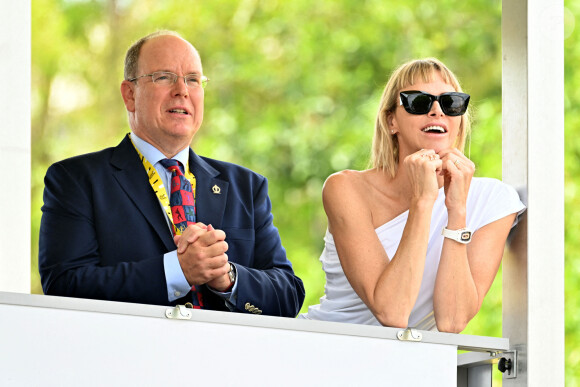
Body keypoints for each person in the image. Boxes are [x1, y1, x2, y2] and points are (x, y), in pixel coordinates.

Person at [39, 30, 305, 317]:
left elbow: (288, 296)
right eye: (164, 77)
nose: (183, 90)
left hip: (226, 358)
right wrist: (176, 272)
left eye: (193, 79)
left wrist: (227, 277)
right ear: (130, 95)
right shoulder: (76, 180)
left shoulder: (246, 187)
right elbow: (63, 286)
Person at [300, 58, 525, 332]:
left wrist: (457, 211)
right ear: (391, 120)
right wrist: (423, 202)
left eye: (450, 102)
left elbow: (451, 321)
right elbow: (392, 311)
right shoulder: (346, 189)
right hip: (324, 351)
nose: (436, 112)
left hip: (410, 366)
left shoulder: (494, 200)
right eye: (418, 102)